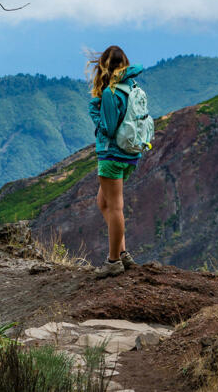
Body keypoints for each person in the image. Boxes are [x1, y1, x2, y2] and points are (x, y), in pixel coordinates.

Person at [87, 46, 143, 278]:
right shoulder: (132, 87)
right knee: (104, 201)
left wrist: (95, 112)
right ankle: (122, 254)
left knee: (115, 206)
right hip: (130, 153)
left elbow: (108, 128)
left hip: (112, 154)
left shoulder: (110, 93)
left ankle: (113, 262)